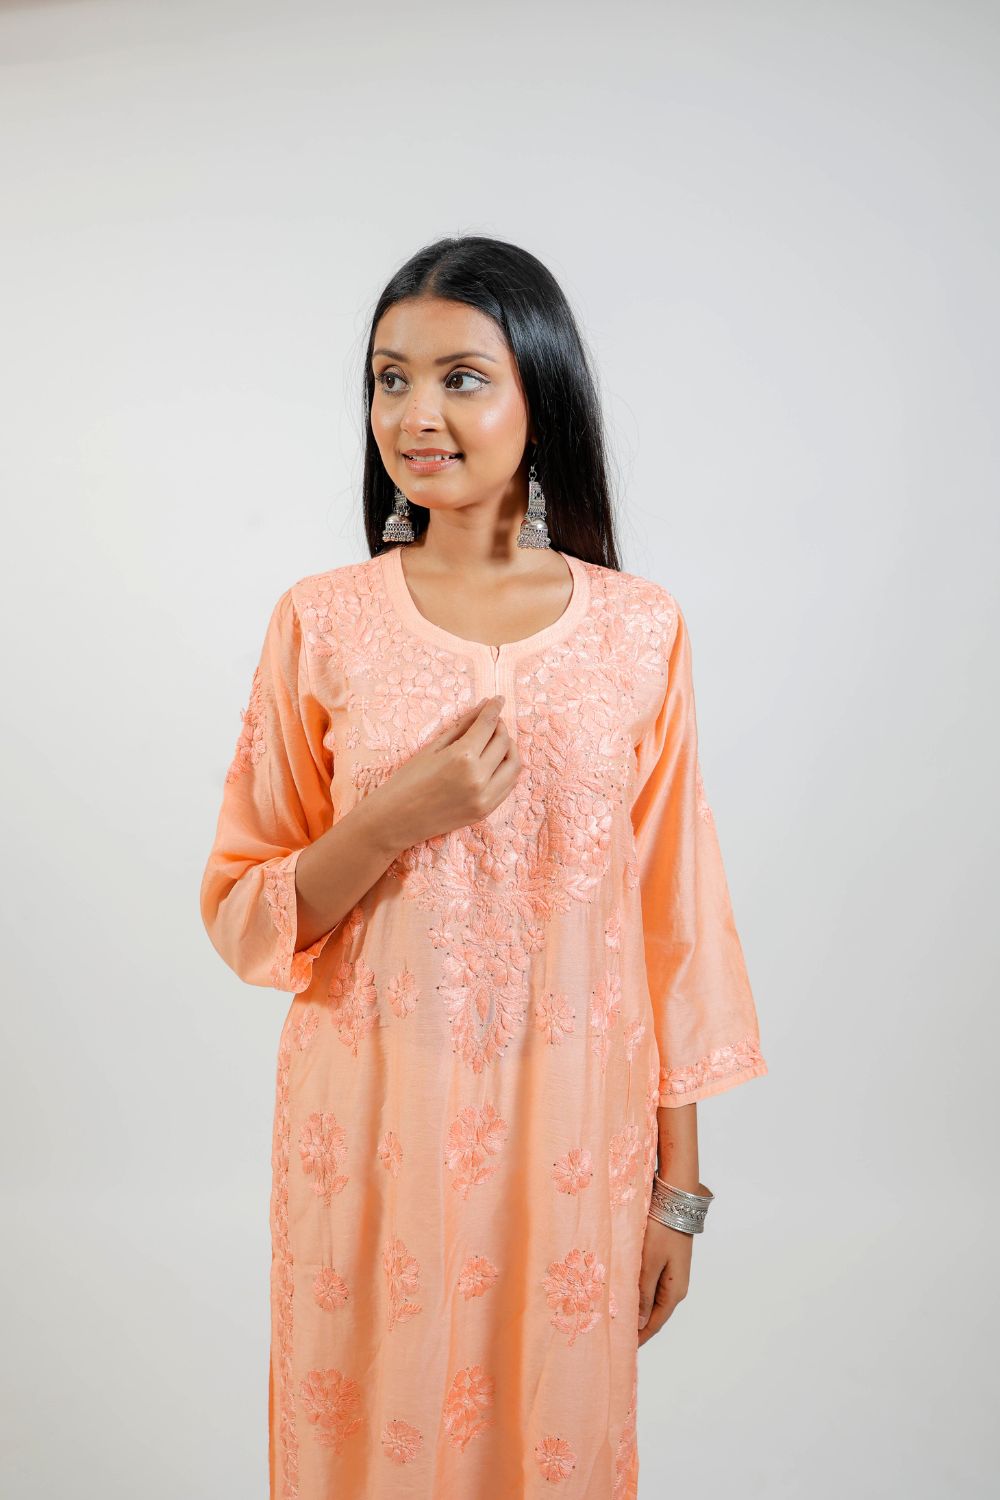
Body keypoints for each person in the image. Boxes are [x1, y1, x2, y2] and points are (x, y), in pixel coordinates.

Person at [200, 235, 768, 1500]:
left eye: (460, 377)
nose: (416, 414)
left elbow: (672, 921)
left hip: (572, 1141)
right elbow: (245, 908)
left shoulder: (639, 630)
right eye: (388, 378)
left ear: (539, 395)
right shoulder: (322, 622)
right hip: (371, 1129)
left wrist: (676, 1191)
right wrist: (389, 818)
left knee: (550, 1448)